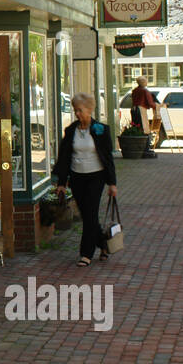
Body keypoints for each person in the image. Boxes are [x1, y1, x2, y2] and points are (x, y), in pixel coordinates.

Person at [52, 92, 117, 266]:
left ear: (89, 109)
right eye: (75, 110)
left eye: (80, 110)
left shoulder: (101, 130)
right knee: (88, 215)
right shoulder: (71, 130)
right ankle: (103, 245)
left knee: (90, 214)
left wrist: (112, 183)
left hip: (96, 177)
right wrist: (61, 183)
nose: (77, 114)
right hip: (77, 177)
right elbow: (64, 157)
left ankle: (86, 254)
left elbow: (108, 158)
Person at [131, 75, 160, 156]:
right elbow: (150, 103)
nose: (147, 82)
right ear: (143, 82)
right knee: (144, 128)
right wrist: (159, 106)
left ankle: (138, 147)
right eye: (146, 81)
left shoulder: (134, 90)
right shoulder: (145, 91)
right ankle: (145, 149)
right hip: (141, 110)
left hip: (133, 109)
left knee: (137, 127)